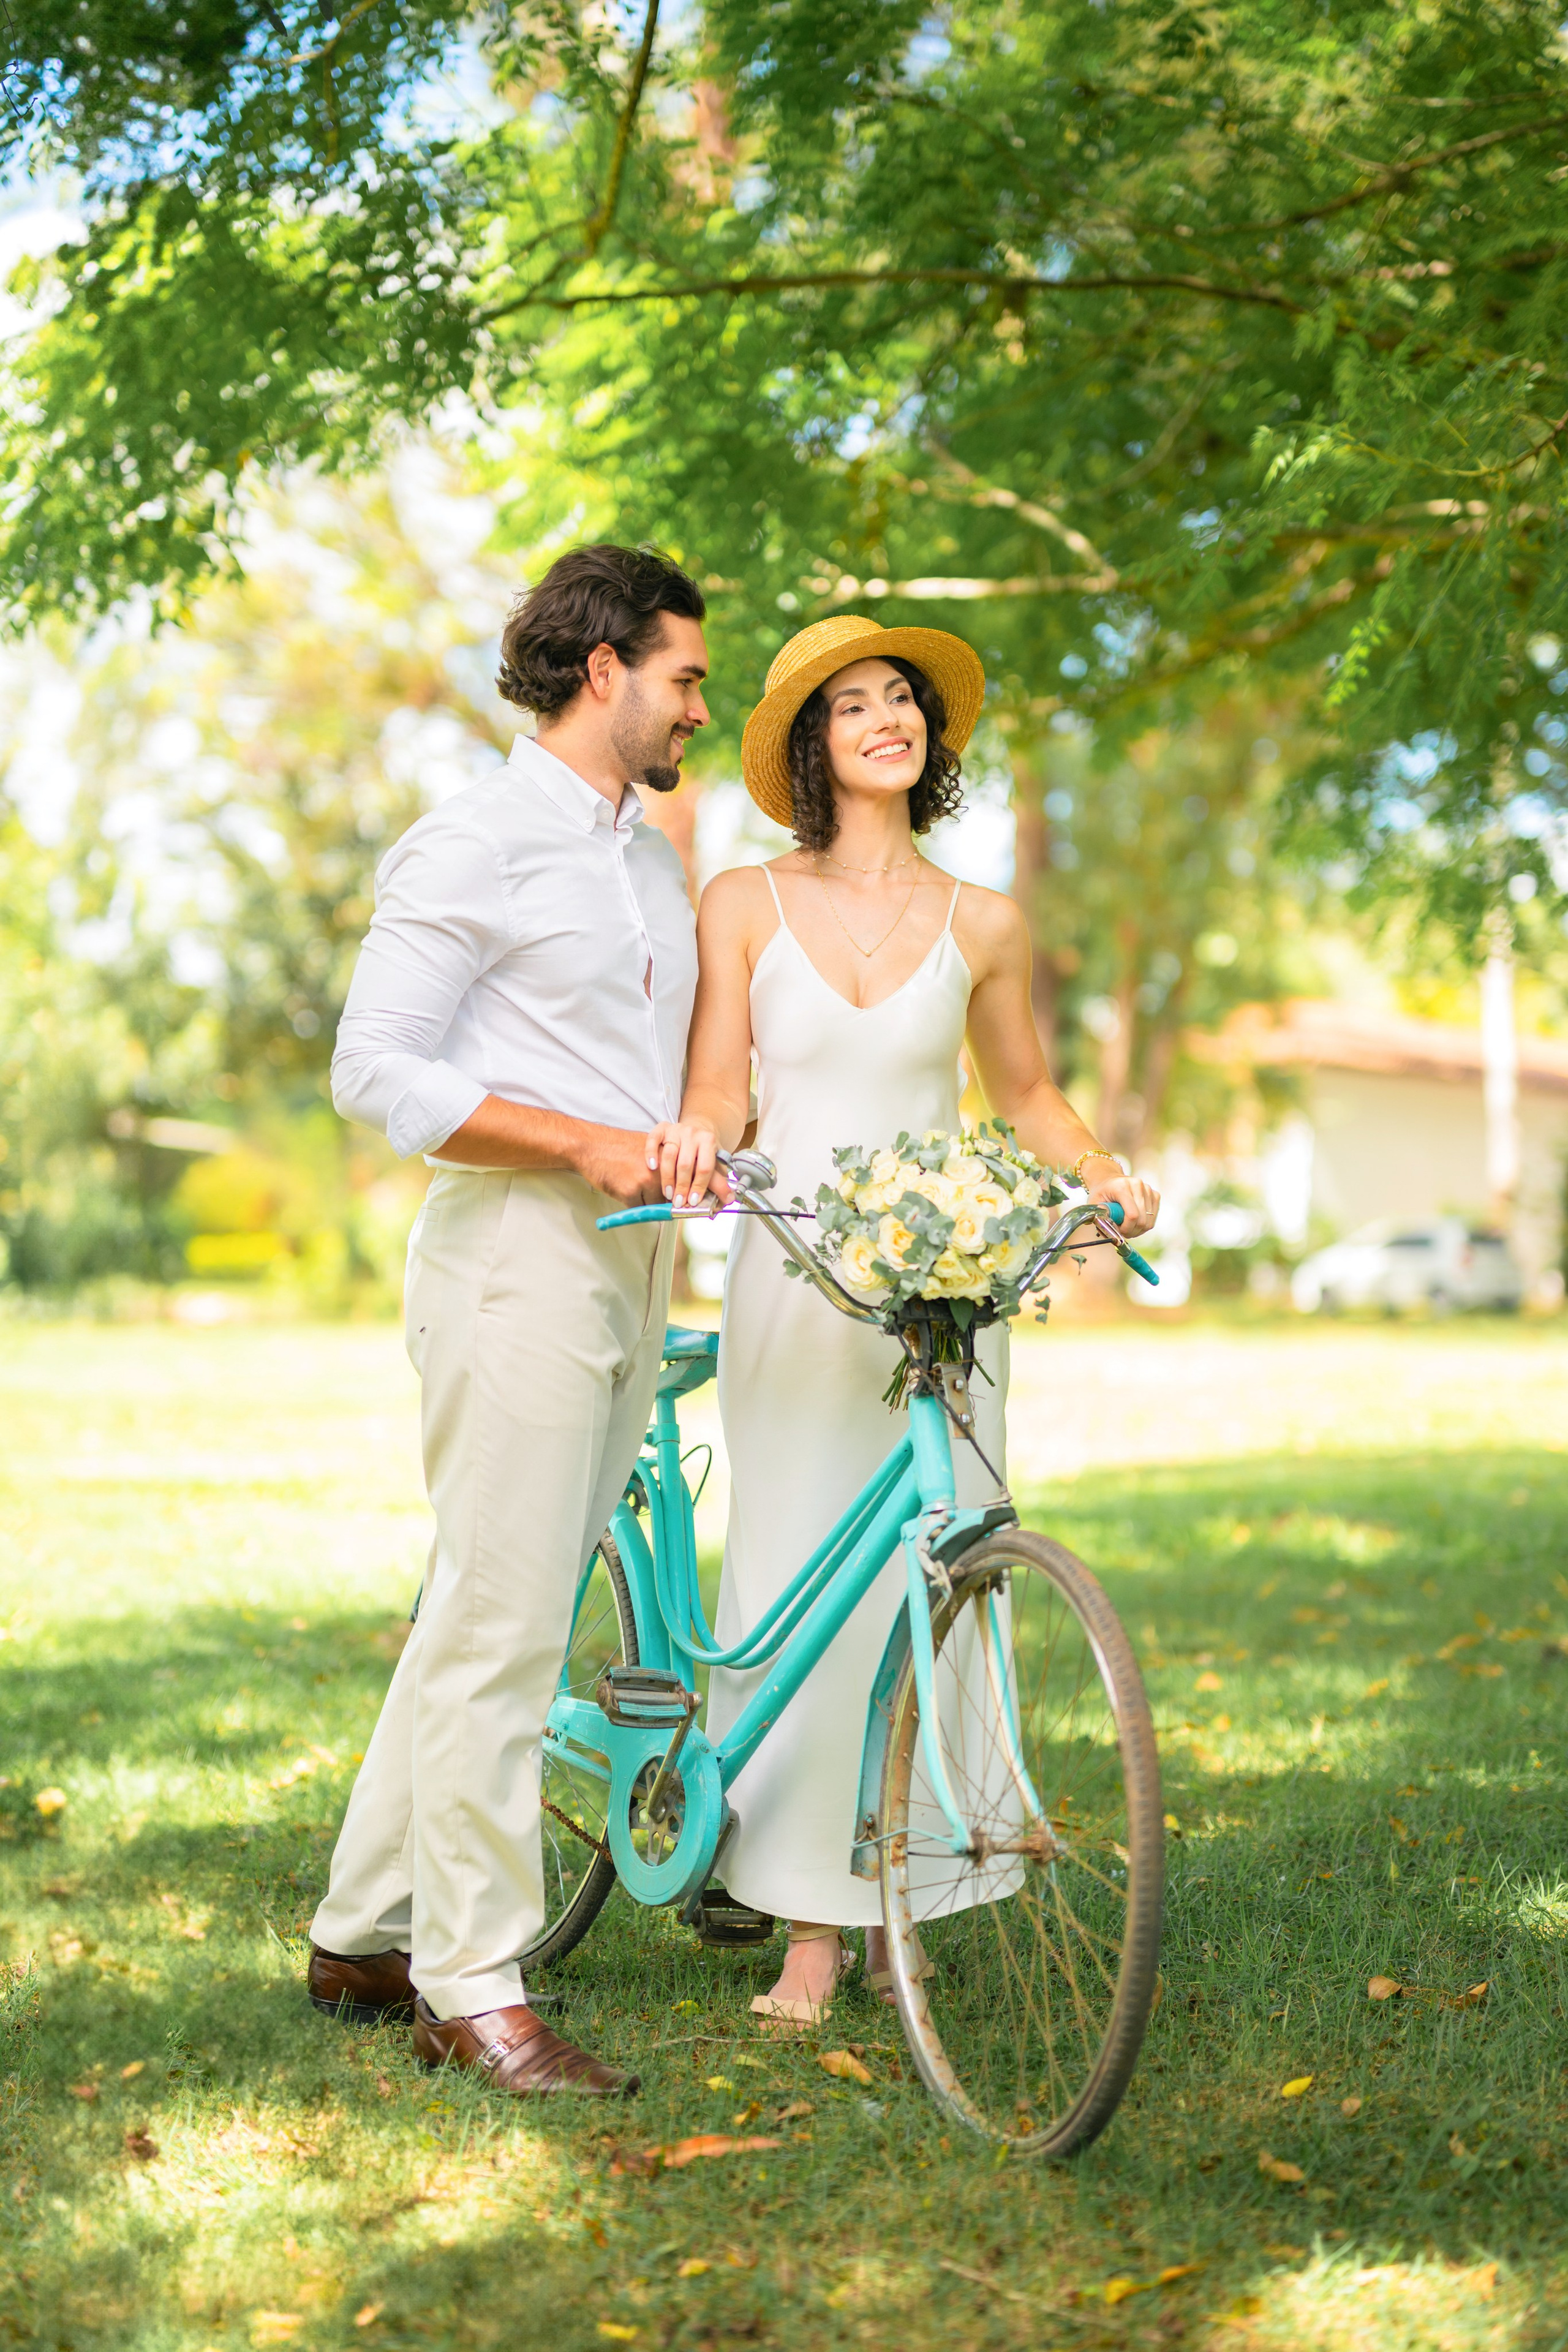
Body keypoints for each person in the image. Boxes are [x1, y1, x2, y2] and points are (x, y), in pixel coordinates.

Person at [650, 613, 1159, 2023]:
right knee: (794, 1577)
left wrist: (1104, 1181)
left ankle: (904, 1905)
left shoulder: (982, 919)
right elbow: (716, 1086)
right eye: (851, 703)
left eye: (903, 700)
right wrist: (697, 1143)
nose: (885, 718)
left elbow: (1032, 1100)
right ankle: (809, 1924)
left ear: (927, 739)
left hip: (940, 1290)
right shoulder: (741, 900)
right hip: (795, 1279)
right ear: (812, 745)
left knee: (931, 1585)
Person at [307, 543, 713, 2096]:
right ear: (601, 668)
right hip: (511, 1259)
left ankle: (359, 1926)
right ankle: (467, 1984)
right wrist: (580, 1141)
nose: (696, 705)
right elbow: (379, 1071)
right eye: (681, 675)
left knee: (482, 1600)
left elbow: (658, 1077)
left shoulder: (650, 861)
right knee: (506, 1627)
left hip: (632, 1265)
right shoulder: (470, 843)